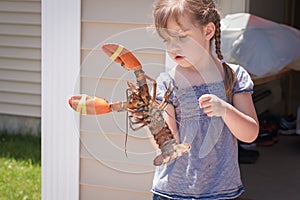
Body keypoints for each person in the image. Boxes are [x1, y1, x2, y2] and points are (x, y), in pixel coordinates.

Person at [151, 0, 259, 199]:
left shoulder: (234, 76)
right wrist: (149, 116)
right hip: (172, 193)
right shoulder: (167, 83)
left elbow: (250, 134)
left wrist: (225, 110)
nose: (173, 47)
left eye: (181, 37)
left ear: (208, 31)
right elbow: (167, 145)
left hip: (221, 192)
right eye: (166, 39)